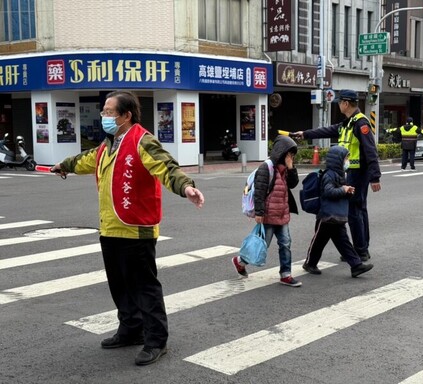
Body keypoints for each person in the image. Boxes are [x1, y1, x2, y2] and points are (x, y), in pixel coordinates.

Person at [51, 90, 205, 366]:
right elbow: (86, 159)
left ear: (126, 115)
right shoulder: (108, 145)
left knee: (144, 286)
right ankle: (131, 329)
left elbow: (166, 166)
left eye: (109, 112)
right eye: (104, 111)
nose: (104, 116)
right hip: (110, 227)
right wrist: (64, 165)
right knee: (119, 285)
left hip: (136, 228)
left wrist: (186, 187)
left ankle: (157, 339)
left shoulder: (143, 141)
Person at [294, 89, 381, 262]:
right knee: (355, 211)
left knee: (356, 211)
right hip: (350, 173)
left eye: (340, 102)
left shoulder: (360, 123)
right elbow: (326, 131)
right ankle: (359, 249)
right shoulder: (347, 123)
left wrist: (375, 177)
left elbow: (370, 150)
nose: (339, 104)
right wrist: (305, 134)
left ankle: (361, 250)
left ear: (346, 103)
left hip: (358, 174)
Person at [232, 135, 302, 287]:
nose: (291, 157)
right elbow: (260, 192)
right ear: (281, 152)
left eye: (292, 154)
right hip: (268, 215)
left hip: (283, 214)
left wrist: (291, 167)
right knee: (262, 244)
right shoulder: (267, 168)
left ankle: (286, 274)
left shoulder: (286, 169)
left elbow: (293, 184)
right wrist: (259, 213)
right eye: (289, 153)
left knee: (285, 244)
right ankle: (240, 261)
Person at [302, 145, 374, 277]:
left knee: (343, 241)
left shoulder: (340, 174)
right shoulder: (329, 175)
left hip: (336, 215)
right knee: (319, 241)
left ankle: (356, 266)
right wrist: (343, 190)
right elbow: (329, 192)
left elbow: (338, 192)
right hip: (326, 215)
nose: (347, 161)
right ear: (338, 159)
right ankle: (310, 263)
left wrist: (347, 192)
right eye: (346, 158)